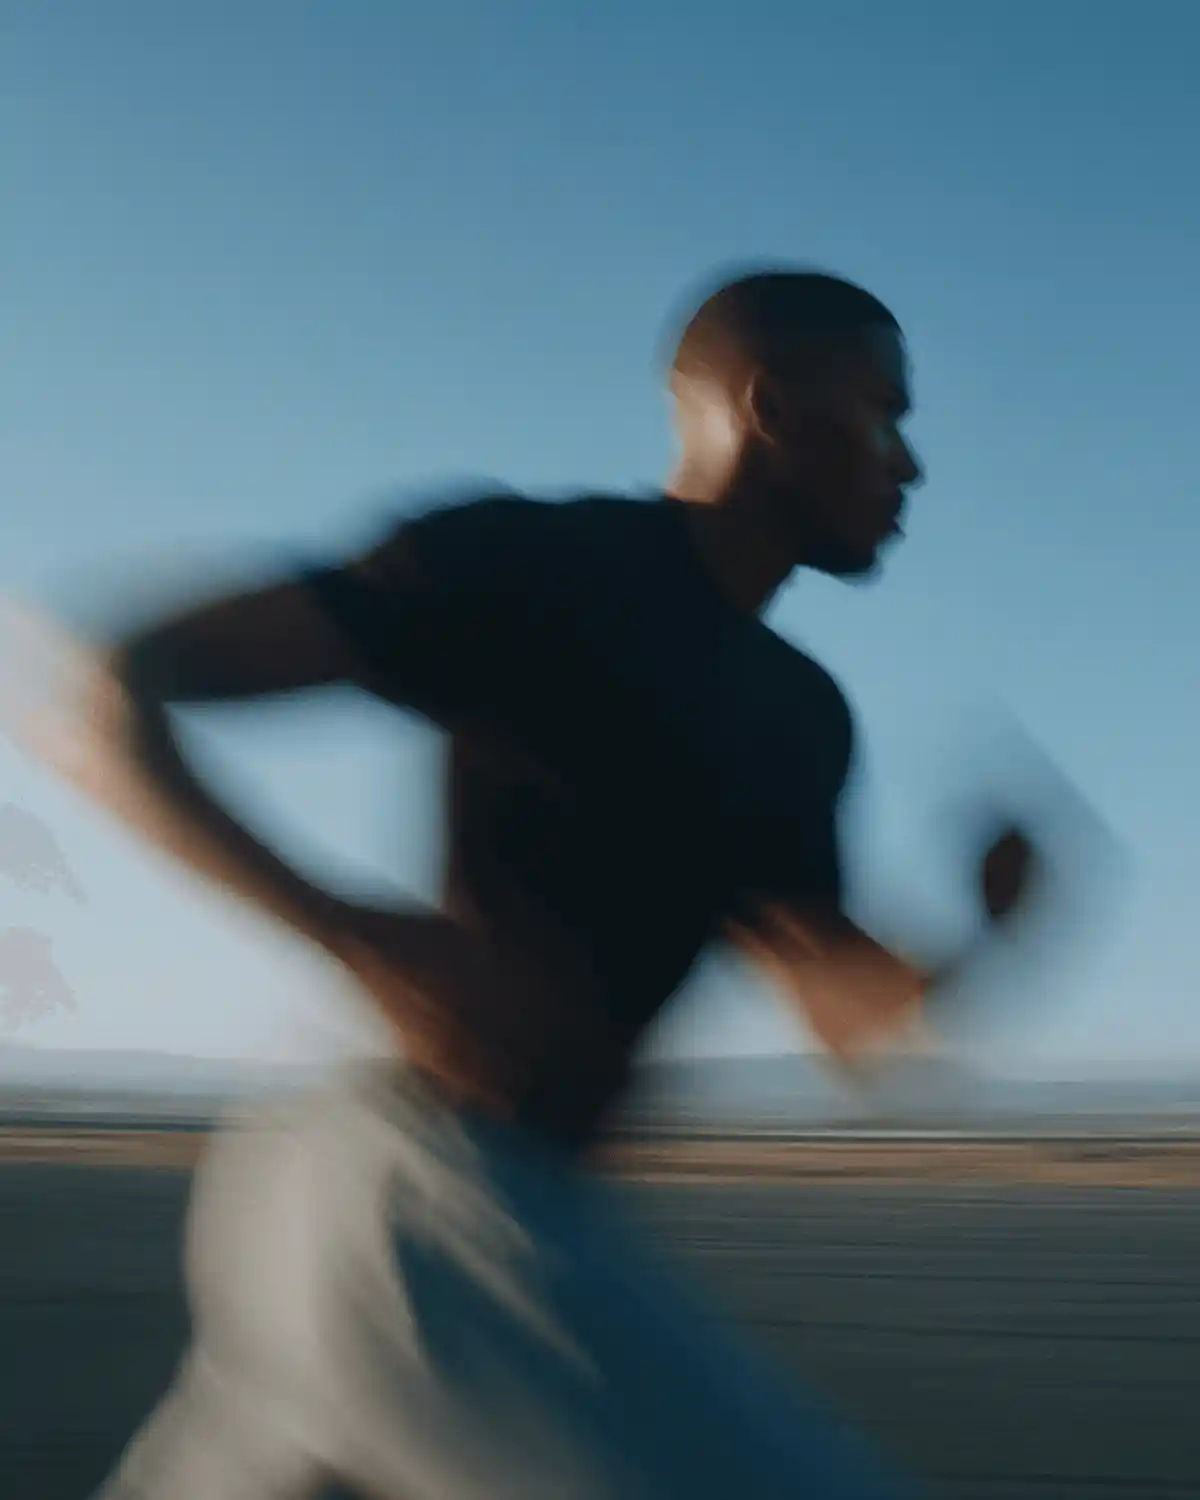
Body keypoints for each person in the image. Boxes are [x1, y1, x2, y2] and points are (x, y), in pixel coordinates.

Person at [46, 267, 1033, 1498]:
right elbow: (115, 685)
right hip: (408, 1201)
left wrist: (987, 933)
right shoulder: (538, 566)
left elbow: (843, 1017)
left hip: (500, 1227)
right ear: (774, 407)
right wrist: (357, 939)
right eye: (886, 413)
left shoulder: (799, 719)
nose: (909, 464)